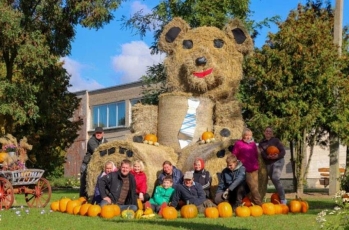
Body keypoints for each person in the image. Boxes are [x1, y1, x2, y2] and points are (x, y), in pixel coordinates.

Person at [232, 128, 262, 205]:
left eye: (250, 135)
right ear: (243, 136)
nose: (248, 137)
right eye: (246, 135)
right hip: (245, 168)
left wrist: (258, 164)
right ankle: (259, 204)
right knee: (253, 188)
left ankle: (252, 203)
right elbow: (234, 155)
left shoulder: (253, 144)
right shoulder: (238, 143)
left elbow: (256, 155)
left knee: (255, 187)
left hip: (254, 169)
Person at [259, 126, 287, 204]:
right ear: (264, 132)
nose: (268, 132)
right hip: (268, 162)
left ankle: (283, 200)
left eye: (270, 131)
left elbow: (283, 151)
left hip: (278, 161)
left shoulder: (276, 141)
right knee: (273, 180)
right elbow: (262, 153)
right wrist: (267, 156)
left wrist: (277, 156)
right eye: (267, 131)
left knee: (275, 178)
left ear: (272, 133)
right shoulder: (261, 143)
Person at [79, 126, 108, 197]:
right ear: (95, 133)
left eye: (100, 133)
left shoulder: (106, 141)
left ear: (103, 133)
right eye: (97, 133)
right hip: (88, 163)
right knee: (85, 181)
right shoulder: (91, 141)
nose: (98, 134)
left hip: (98, 164)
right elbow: (97, 151)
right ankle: (82, 198)